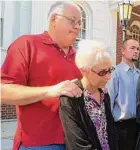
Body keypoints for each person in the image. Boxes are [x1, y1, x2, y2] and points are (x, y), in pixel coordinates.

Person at [1, 2, 83, 149]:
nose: (77, 26)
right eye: (72, 21)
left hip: (75, 141)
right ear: (53, 20)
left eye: (79, 22)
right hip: (38, 143)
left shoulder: (80, 57)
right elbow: (4, 92)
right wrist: (51, 91)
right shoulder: (26, 44)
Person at [59, 40, 118, 150]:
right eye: (102, 72)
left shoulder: (104, 94)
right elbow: (77, 144)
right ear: (84, 71)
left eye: (110, 70)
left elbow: (111, 132)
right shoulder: (71, 98)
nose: (108, 77)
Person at [106, 38, 140, 150]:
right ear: (122, 51)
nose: (136, 51)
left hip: (137, 125)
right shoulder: (115, 73)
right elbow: (108, 101)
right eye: (132, 48)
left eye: (138, 48)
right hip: (120, 127)